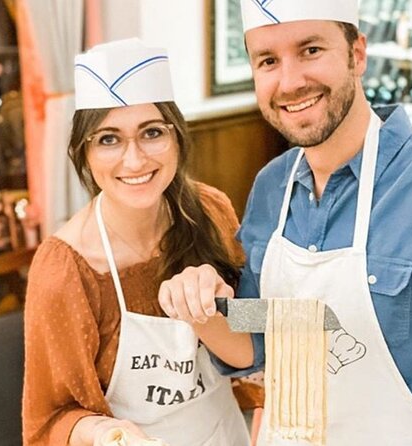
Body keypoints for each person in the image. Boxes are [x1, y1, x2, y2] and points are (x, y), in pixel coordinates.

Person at [157, 1, 412, 445]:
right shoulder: (273, 186)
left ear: (357, 54)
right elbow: (263, 334)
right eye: (268, 60)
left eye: (310, 50)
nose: (289, 82)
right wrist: (204, 306)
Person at [22, 38, 252, 446]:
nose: (134, 160)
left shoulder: (212, 211)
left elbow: (259, 330)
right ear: (84, 153)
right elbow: (47, 421)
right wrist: (104, 432)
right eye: (109, 139)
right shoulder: (66, 271)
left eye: (151, 133)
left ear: (178, 138)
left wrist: (220, 309)